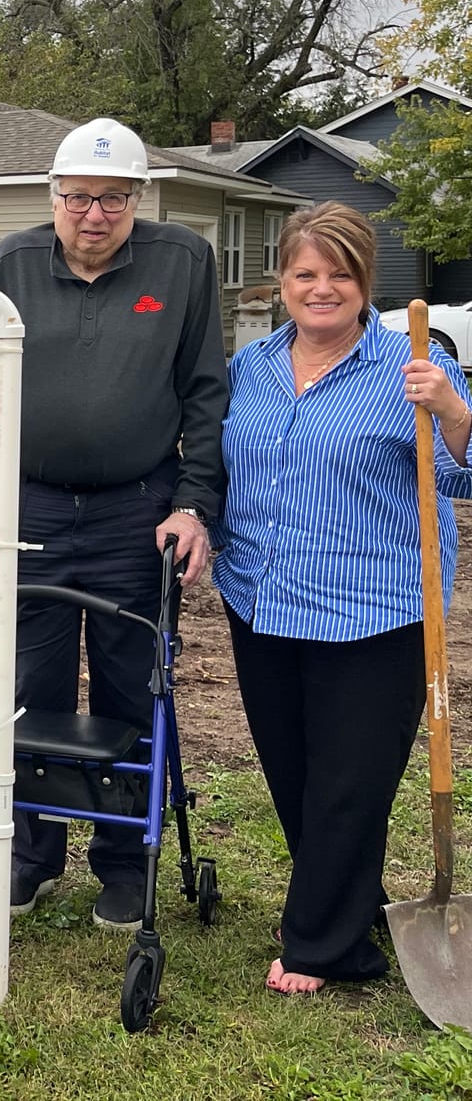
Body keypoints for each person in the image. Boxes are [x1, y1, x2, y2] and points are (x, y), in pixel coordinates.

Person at [0, 118, 227, 931]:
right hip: (29, 505)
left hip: (134, 511)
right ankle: (29, 854)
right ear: (54, 197)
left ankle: (122, 862)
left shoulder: (182, 263)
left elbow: (205, 393)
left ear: (137, 199)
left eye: (113, 197)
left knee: (129, 687)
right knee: (24, 690)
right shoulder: (7, 266)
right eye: (78, 196)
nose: (94, 214)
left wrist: (193, 504)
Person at [215, 202, 472, 992]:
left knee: (347, 783)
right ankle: (345, 907)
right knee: (293, 777)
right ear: (281, 282)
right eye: (305, 273)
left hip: (376, 609)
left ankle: (322, 947)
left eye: (339, 275)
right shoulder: (250, 368)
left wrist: (455, 413)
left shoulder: (416, 366)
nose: (320, 289)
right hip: (261, 597)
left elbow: (467, 472)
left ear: (365, 284)